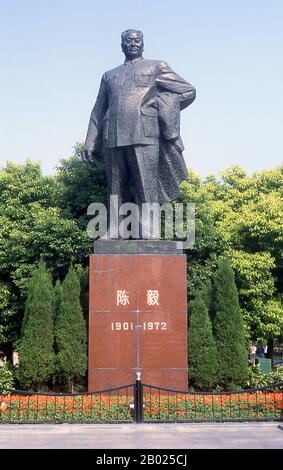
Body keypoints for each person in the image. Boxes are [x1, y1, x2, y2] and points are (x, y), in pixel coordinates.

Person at [83, 29, 196, 237]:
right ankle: (116, 228)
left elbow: (187, 90)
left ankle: (149, 228)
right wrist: (90, 141)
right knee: (115, 186)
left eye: (137, 40)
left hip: (145, 133)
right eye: (128, 40)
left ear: (143, 44)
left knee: (146, 183)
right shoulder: (109, 75)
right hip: (113, 135)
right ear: (122, 45)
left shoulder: (156, 66)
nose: (133, 43)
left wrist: (162, 105)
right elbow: (98, 110)